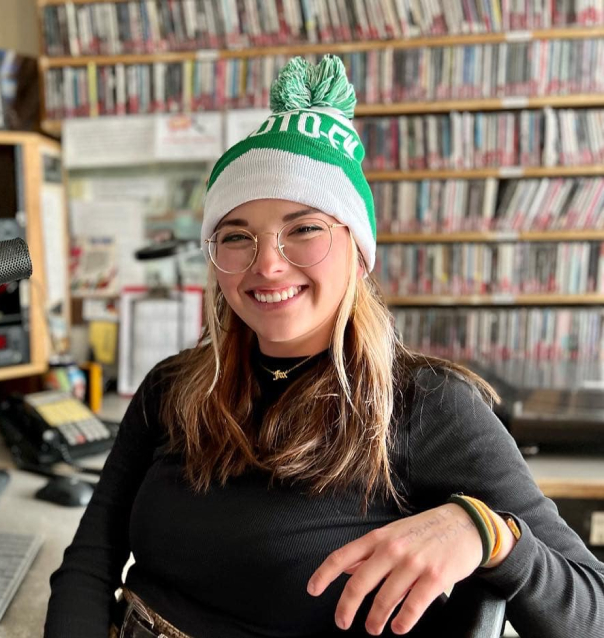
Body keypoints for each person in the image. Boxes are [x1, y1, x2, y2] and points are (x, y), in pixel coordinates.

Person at [44, 56, 604, 638]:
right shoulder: (173, 387)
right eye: (237, 237)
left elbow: (594, 608)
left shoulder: (427, 406)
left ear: (358, 252)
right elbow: (89, 561)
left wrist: (488, 533)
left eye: (304, 229)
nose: (266, 262)